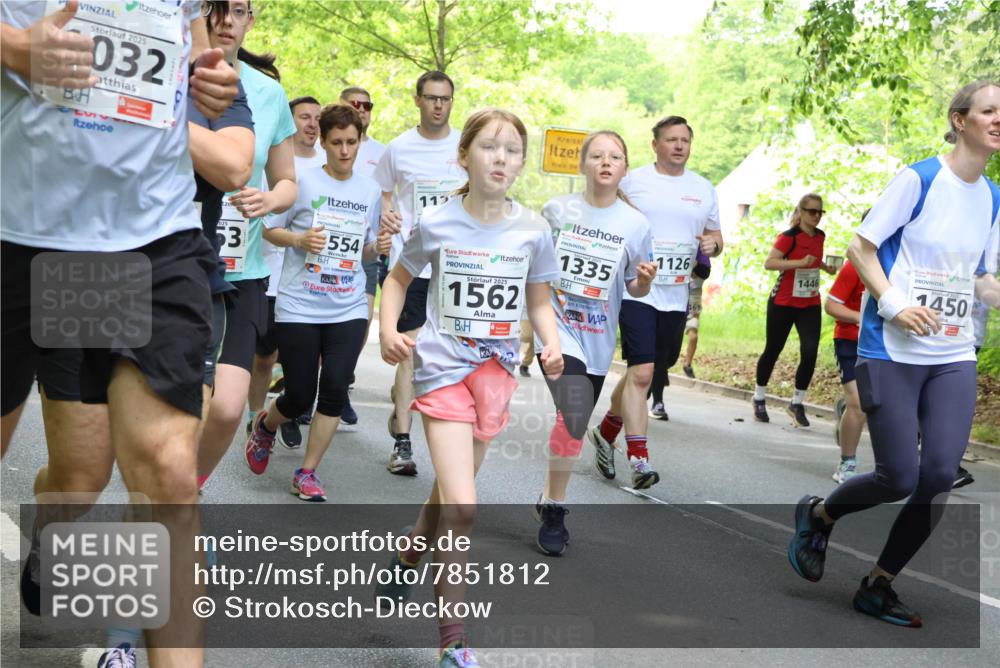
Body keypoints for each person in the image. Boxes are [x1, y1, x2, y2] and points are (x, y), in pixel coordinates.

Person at [1, 1, 240, 665]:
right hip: (18, 228)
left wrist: (204, 78)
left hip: (144, 238)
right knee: (76, 475)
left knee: (163, 475)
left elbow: (193, 59)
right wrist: (16, 48)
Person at [788, 80, 1000, 628]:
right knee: (899, 477)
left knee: (937, 477)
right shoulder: (919, 179)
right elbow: (861, 246)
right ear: (960, 120)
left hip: (952, 352)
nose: (999, 119)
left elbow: (981, 279)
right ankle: (820, 514)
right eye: (989, 110)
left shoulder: (994, 196)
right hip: (891, 348)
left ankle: (879, 584)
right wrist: (894, 302)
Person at [375, 108, 563, 666]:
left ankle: (409, 551)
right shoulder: (437, 222)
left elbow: (538, 300)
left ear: (522, 162)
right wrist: (389, 330)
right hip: (441, 371)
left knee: (449, 497)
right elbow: (397, 280)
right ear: (464, 156)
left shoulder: (533, 229)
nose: (500, 158)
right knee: (462, 505)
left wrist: (549, 343)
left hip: (496, 376)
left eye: (511, 149)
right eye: (488, 147)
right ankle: (454, 640)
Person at [245, 104, 380, 501]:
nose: (344, 151)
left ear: (359, 142)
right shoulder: (302, 182)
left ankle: (307, 472)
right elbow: (270, 230)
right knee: (300, 394)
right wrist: (300, 241)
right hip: (300, 304)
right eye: (335, 142)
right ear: (322, 141)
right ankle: (266, 427)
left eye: (351, 142)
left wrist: (379, 246)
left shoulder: (369, 190)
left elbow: (365, 251)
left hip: (348, 305)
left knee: (335, 388)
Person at [533, 131, 656, 555]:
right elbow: (534, 273)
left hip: (598, 338)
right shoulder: (557, 210)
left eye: (615, 156)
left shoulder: (635, 224)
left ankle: (549, 494)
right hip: (556, 328)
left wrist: (642, 282)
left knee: (571, 418)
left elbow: (634, 290)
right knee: (572, 412)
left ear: (624, 167)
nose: (606, 162)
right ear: (583, 164)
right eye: (597, 155)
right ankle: (556, 510)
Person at [588, 116, 722, 489]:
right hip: (636, 290)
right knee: (643, 373)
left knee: (646, 371)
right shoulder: (633, 183)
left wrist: (714, 245)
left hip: (676, 295)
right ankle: (639, 459)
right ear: (655, 145)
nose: (679, 146)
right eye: (671, 140)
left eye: (685, 140)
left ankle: (606, 430)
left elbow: (715, 235)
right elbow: (605, 216)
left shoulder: (704, 188)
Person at [196, 0, 298, 489]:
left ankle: (183, 489)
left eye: (238, 11)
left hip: (244, 268)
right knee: (189, 401)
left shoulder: (267, 92)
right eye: (216, 9)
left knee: (229, 407)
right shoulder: (174, 70)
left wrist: (269, 200)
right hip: (183, 262)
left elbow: (287, 182)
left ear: (250, 22)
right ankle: (174, 510)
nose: (226, 21)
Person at [374, 71, 467, 477]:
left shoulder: (466, 147)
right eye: (430, 98)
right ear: (417, 100)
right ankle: (403, 444)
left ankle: (402, 405)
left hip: (458, 266)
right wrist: (387, 216)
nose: (437, 105)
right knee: (410, 348)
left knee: (440, 355)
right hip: (411, 262)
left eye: (444, 99)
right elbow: (382, 192)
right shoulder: (399, 148)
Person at [248, 95, 326, 450]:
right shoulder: (274, 162)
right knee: (265, 355)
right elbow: (262, 221)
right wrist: (297, 238)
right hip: (269, 267)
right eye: (304, 117)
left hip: (310, 279)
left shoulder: (330, 163)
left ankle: (291, 410)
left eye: (317, 118)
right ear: (289, 122)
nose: (311, 124)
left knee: (299, 354)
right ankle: (255, 413)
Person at [751, 193, 837, 426]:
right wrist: (799, 263)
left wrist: (825, 267)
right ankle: (759, 397)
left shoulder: (820, 236)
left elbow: (812, 259)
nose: (817, 216)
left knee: (810, 352)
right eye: (812, 211)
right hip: (783, 302)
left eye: (820, 212)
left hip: (809, 303)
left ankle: (796, 403)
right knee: (773, 349)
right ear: (800, 212)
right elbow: (770, 263)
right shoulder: (788, 237)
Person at [340, 85, 388, 424]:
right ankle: (313, 387)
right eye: (353, 104)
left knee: (359, 323)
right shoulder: (323, 145)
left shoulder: (383, 153)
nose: (361, 110)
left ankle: (339, 383)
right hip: (323, 245)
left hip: (366, 247)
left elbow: (390, 197)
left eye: (366, 105)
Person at [825, 256, 866, 482]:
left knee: (878, 403)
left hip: (884, 345)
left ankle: (845, 410)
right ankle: (846, 463)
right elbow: (830, 305)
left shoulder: (902, 263)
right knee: (859, 404)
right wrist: (858, 317)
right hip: (850, 340)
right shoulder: (854, 265)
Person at [680, 250, 711, 379]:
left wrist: (695, 264)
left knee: (693, 336)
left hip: (693, 301)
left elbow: (705, 272)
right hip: (678, 298)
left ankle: (687, 364)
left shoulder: (702, 252)